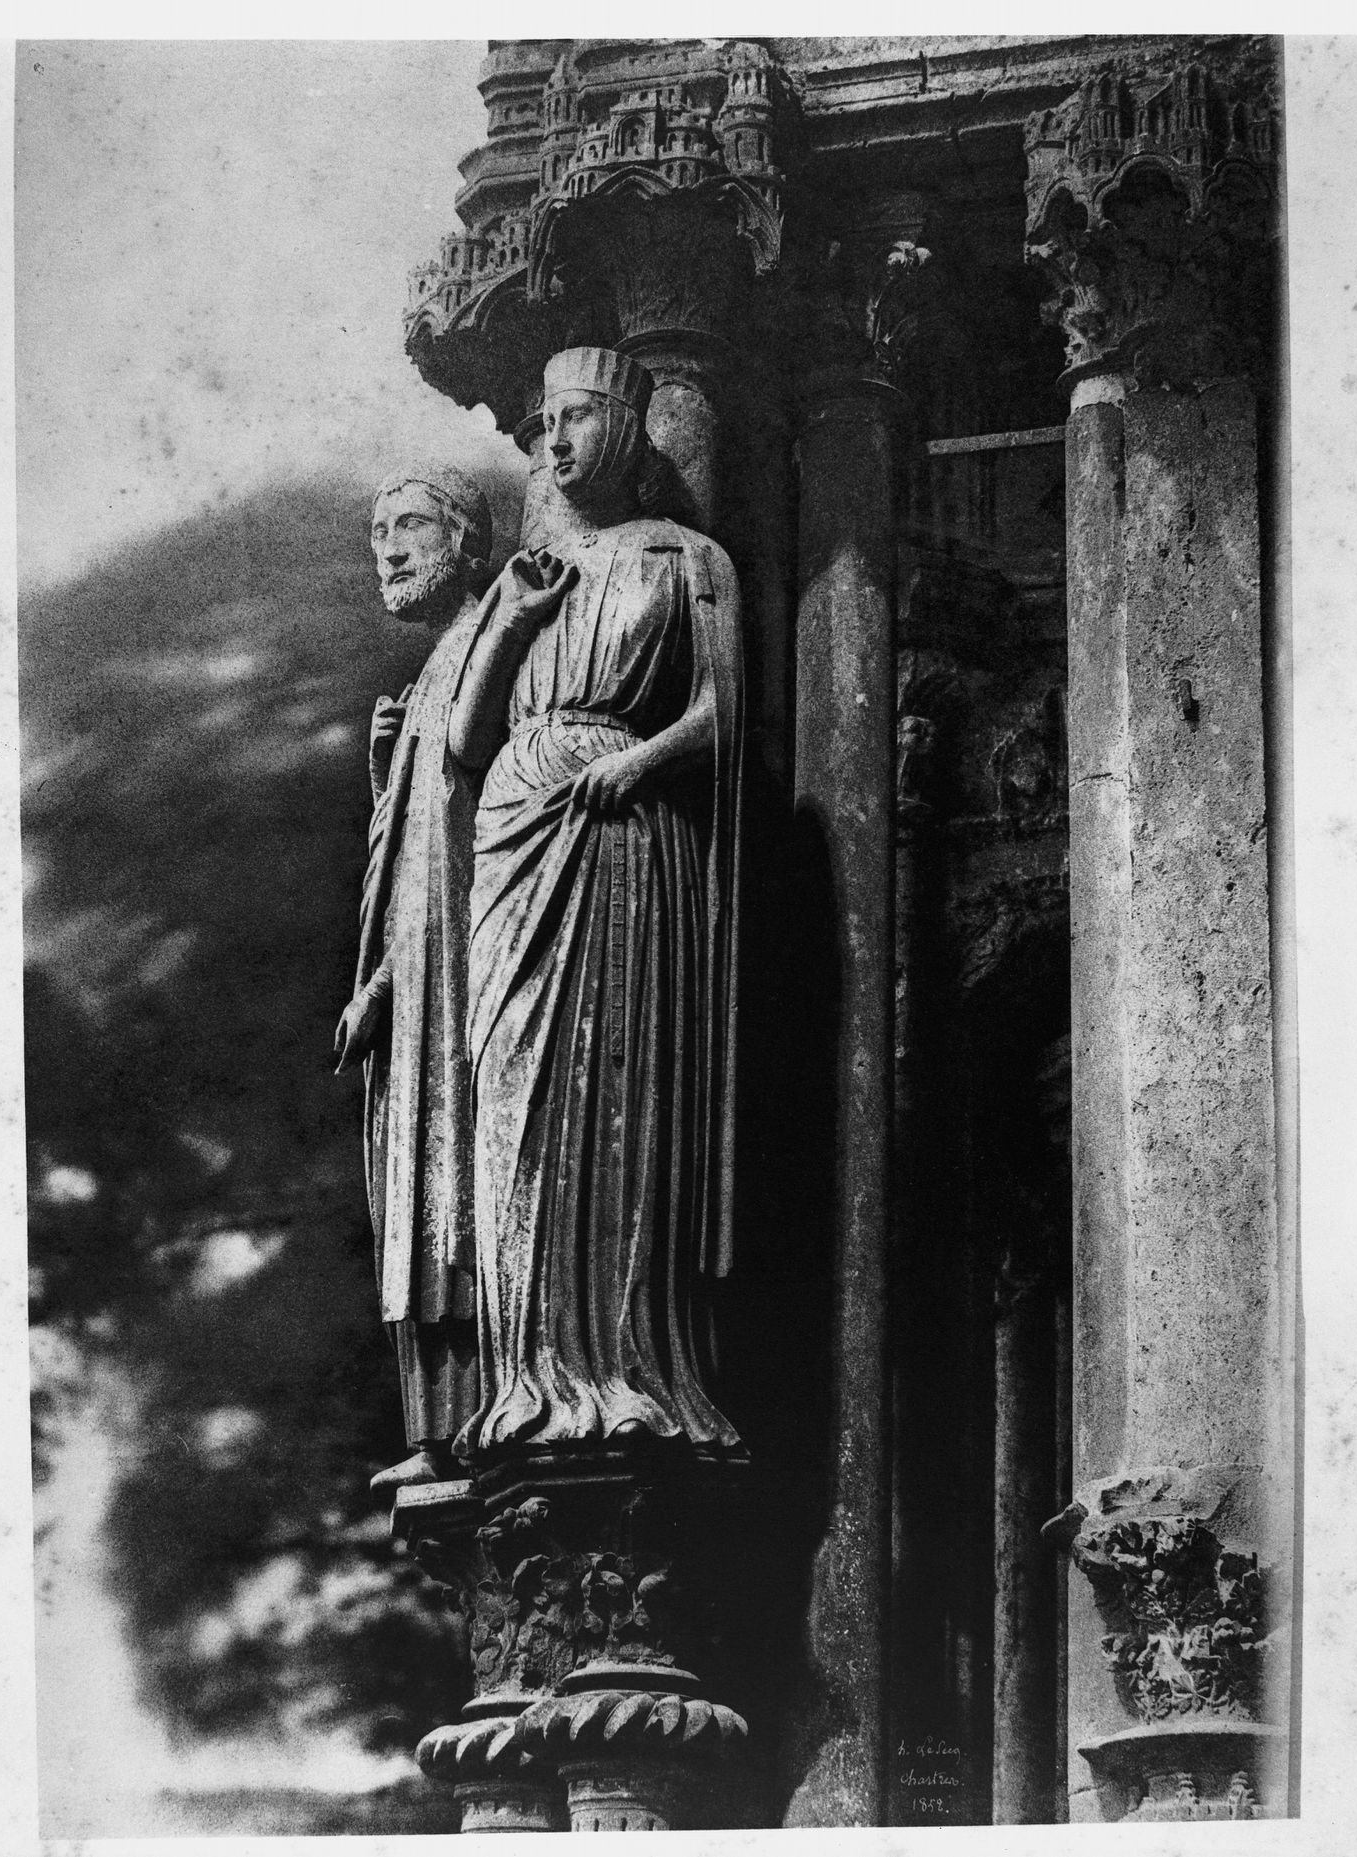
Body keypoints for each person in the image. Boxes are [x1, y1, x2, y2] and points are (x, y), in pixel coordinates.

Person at [449, 347, 744, 1455]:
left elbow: (720, 714)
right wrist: (516, 623)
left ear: (625, 430)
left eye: (575, 421)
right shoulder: (527, 580)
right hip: (515, 832)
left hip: (619, 832)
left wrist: (638, 762)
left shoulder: (685, 559)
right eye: (542, 427)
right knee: (513, 1097)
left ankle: (621, 1367)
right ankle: (527, 1376)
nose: (554, 444)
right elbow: (470, 741)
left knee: (609, 1093)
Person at [334, 464, 572, 1492]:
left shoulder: (490, 635)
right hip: (422, 974)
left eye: (411, 526)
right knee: (418, 1183)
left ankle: (479, 1415)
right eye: (378, 531)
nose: (388, 548)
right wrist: (382, 981)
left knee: (461, 1182)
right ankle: (437, 1429)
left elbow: (489, 804)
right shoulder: (435, 662)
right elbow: (416, 851)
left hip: (477, 963)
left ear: (469, 541)